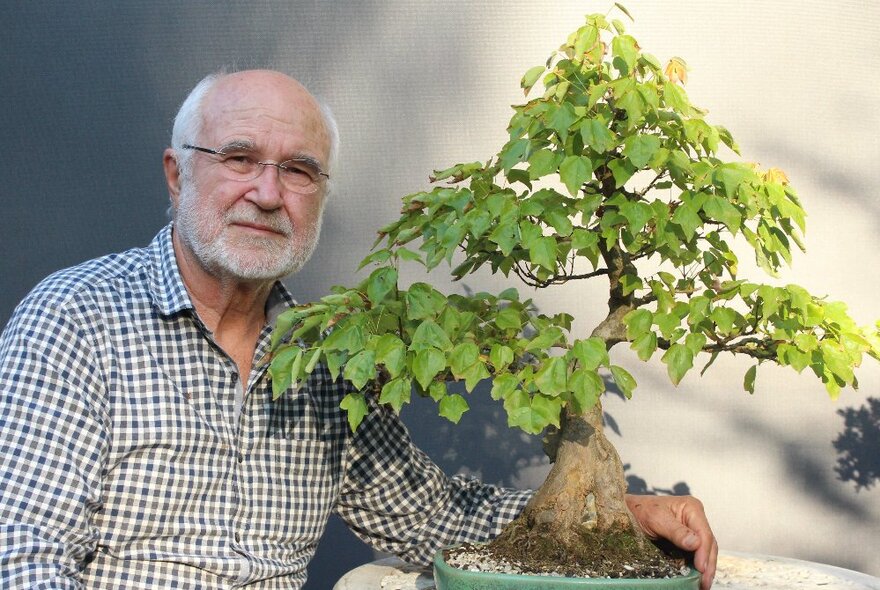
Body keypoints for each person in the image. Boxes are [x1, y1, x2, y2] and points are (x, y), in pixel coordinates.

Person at [0, 70, 718, 589]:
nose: (268, 193)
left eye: (300, 171)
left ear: (321, 197)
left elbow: (429, 516)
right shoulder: (74, 321)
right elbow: (22, 556)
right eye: (240, 158)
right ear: (175, 174)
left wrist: (620, 510)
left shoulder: (328, 353)